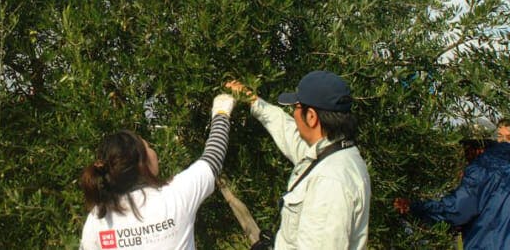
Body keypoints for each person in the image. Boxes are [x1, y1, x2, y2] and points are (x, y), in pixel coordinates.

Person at [226, 72, 370, 249]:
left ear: (311, 116)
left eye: (295, 107)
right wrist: (253, 100)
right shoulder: (333, 152)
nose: (293, 114)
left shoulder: (329, 181)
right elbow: (287, 131)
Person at [79, 94, 237, 249]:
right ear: (142, 162)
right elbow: (214, 156)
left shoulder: (98, 217)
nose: (154, 151)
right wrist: (221, 111)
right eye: (149, 147)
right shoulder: (176, 195)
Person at [393, 135, 509, 248]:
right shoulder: (503, 167)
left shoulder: (483, 168)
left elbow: (457, 210)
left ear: (478, 148)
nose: (465, 155)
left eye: (466, 148)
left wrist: (414, 207)